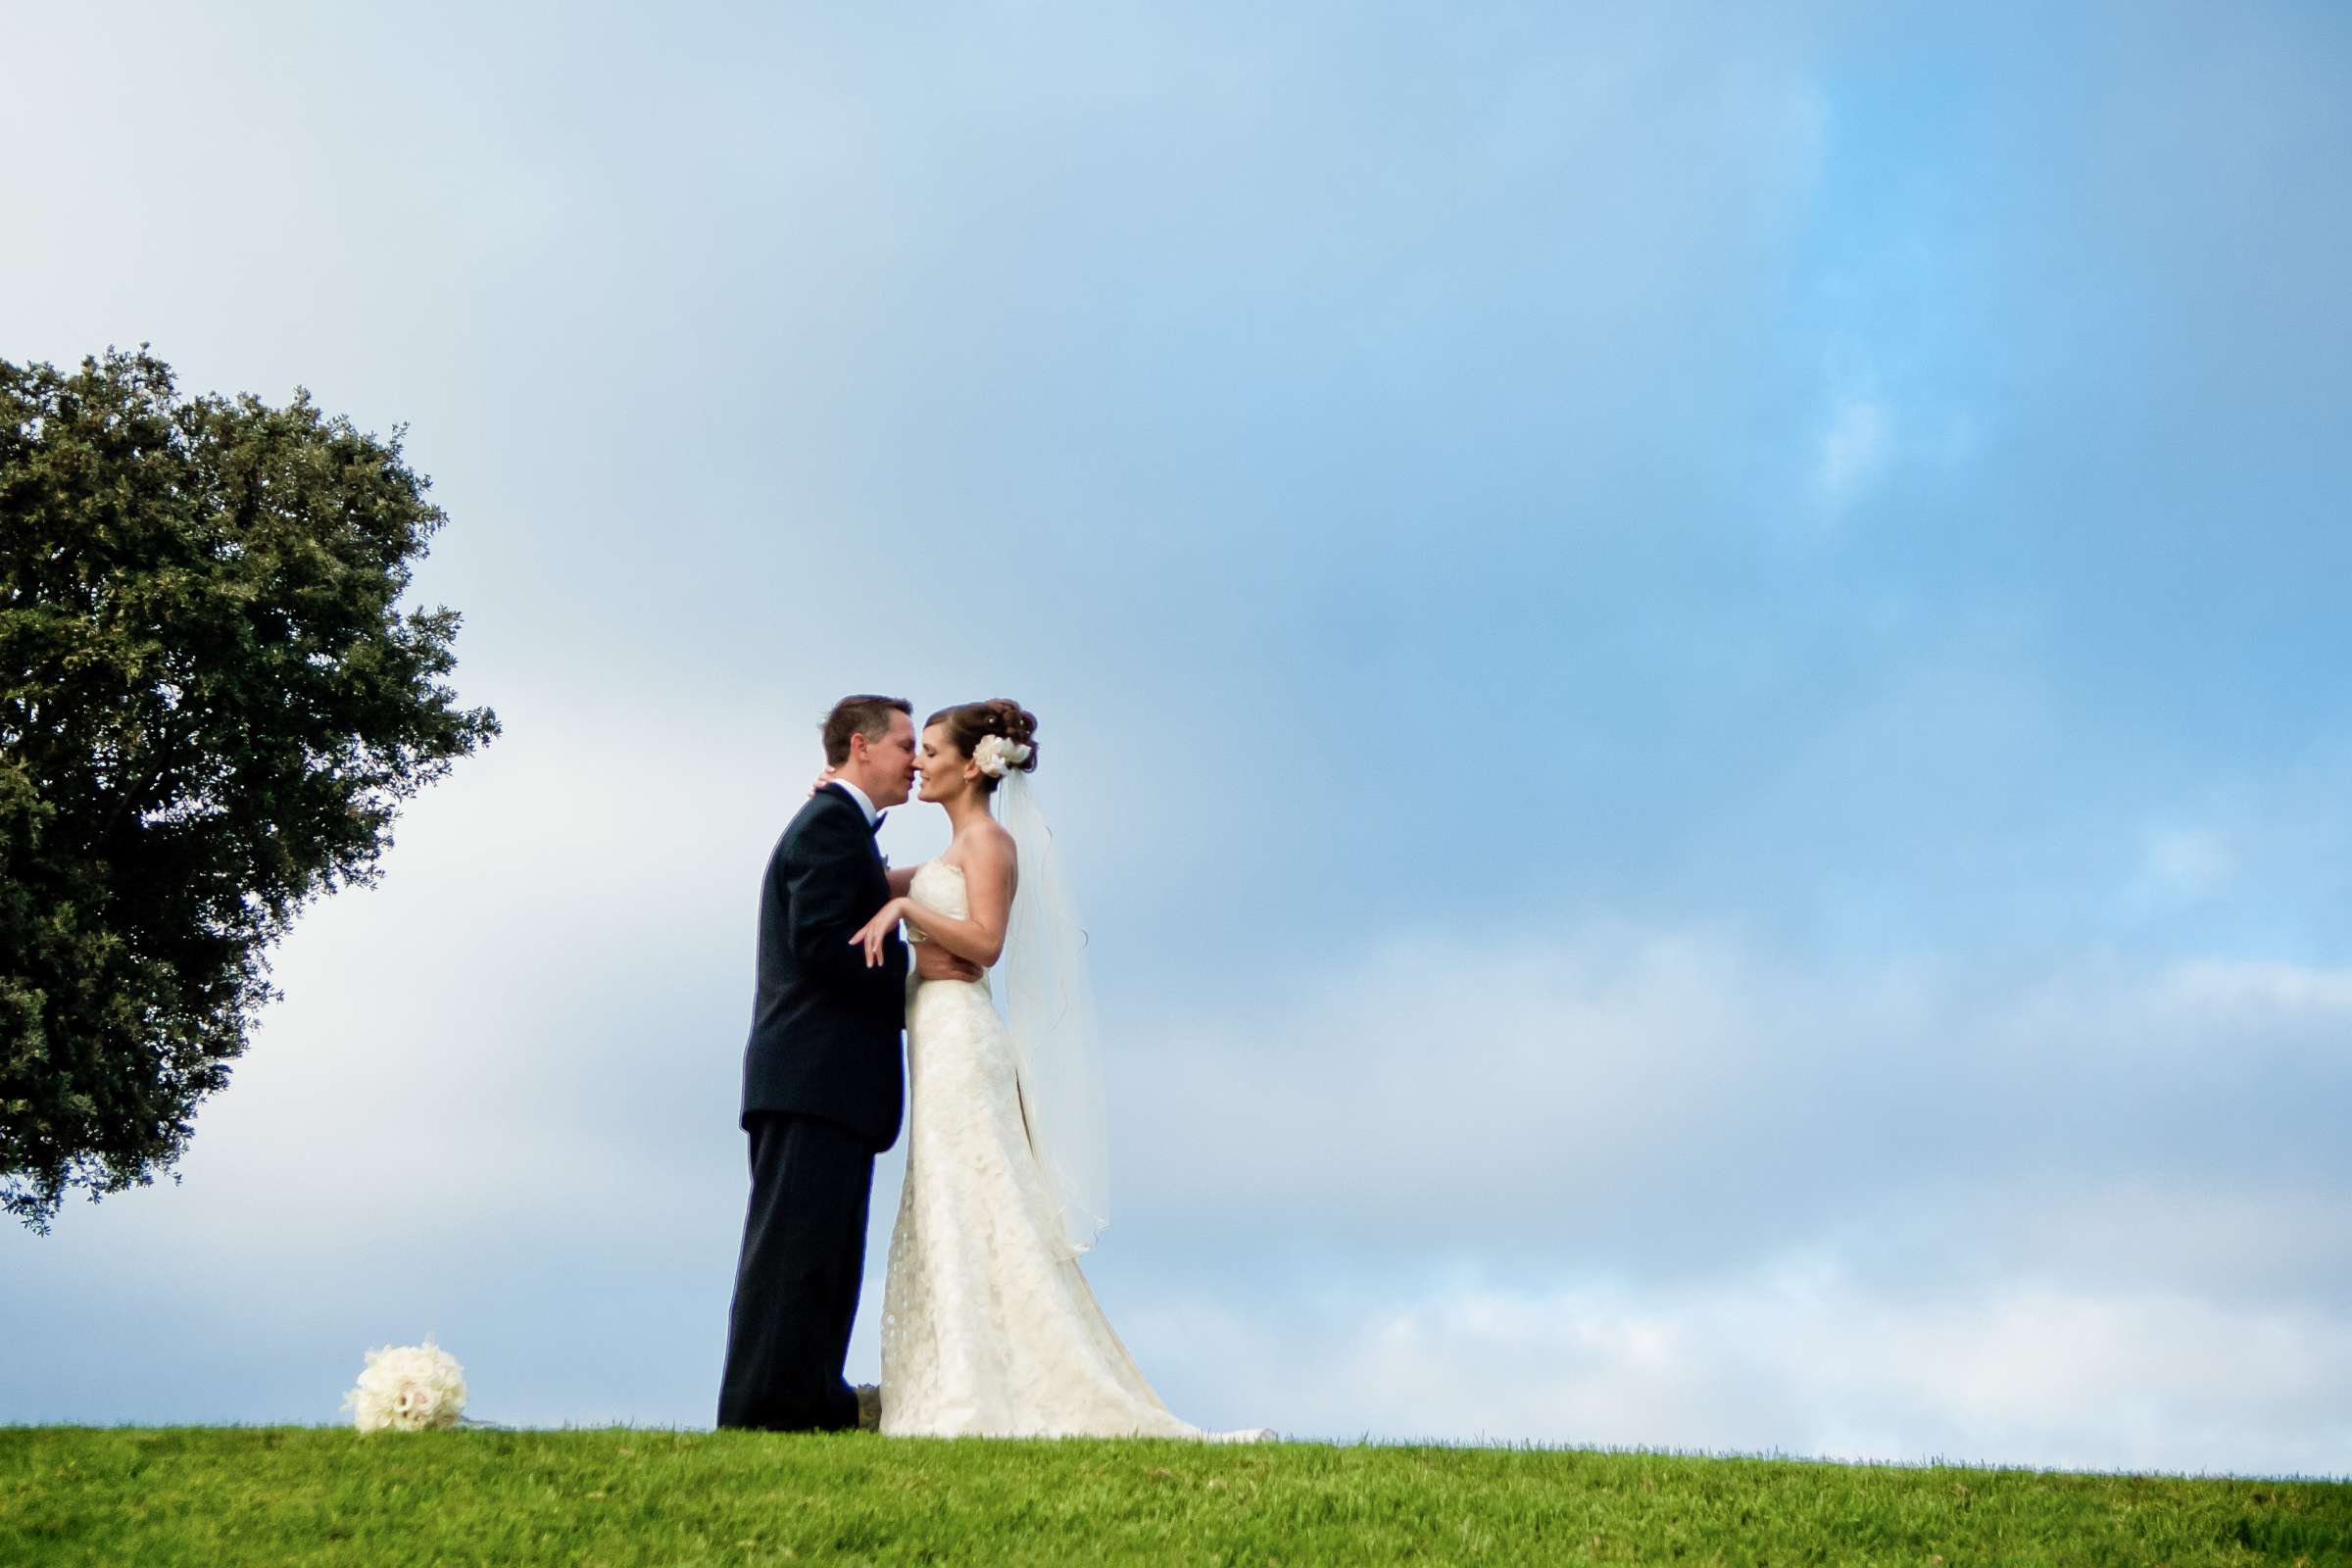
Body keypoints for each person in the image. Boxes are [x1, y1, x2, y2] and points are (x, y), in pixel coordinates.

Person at [848, 699, 1273, 1441]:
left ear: (974, 766)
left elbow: (984, 942)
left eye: (933, 752)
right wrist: (843, 810)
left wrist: (907, 914)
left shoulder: (991, 844)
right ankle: (958, 1372)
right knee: (950, 1199)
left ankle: (995, 1389)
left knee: (979, 1196)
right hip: (935, 1039)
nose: (919, 762)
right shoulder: (950, 853)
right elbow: (871, 883)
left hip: (964, 1039)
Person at [717, 695, 977, 1432]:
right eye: (903, 745)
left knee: (822, 1256)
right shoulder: (830, 825)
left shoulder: (842, 829)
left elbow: (851, 907)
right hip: (813, 1080)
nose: (914, 761)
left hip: (824, 1084)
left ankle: (807, 1401)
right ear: (860, 747)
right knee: (793, 1257)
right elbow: (826, 945)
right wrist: (919, 980)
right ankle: (767, 1410)